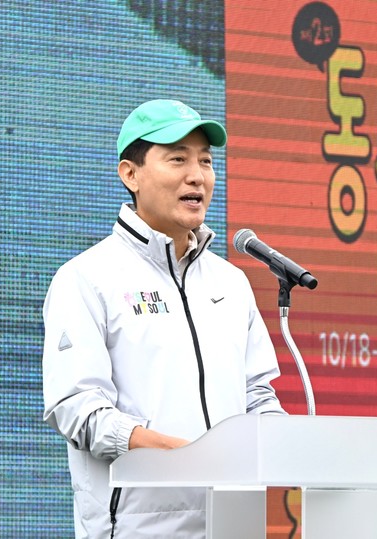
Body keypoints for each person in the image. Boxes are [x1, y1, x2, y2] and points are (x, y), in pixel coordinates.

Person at [42, 99, 286, 538]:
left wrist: (291, 443)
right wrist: (182, 456)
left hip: (235, 523)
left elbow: (257, 396)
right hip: (139, 528)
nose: (198, 175)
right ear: (130, 174)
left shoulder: (231, 282)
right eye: (178, 159)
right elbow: (79, 409)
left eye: (206, 161)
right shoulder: (86, 278)